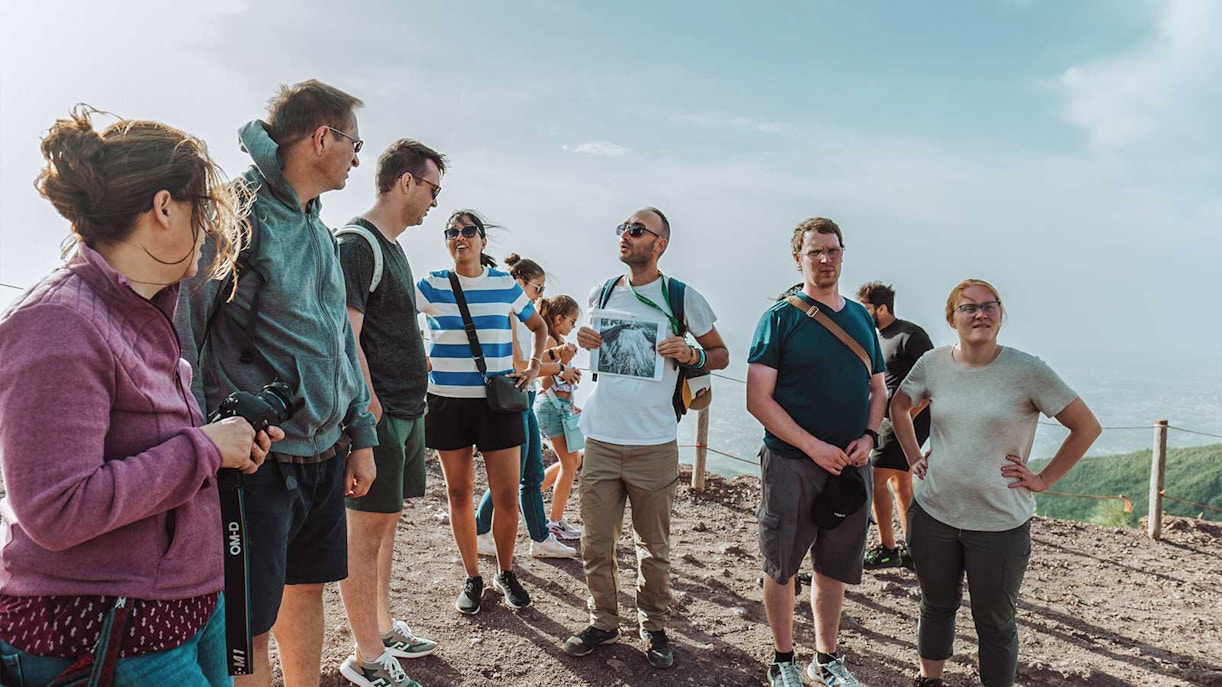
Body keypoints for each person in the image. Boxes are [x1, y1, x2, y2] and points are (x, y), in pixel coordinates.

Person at [0, 106, 279, 686]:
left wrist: (225, 448)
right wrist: (205, 449)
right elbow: (55, 508)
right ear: (164, 207)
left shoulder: (144, 310)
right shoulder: (58, 322)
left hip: (183, 614)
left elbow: (150, 450)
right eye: (204, 210)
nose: (210, 231)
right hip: (107, 633)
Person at [175, 80, 378, 687]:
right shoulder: (233, 215)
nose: (357, 157)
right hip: (256, 463)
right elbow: (185, 332)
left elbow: (342, 340)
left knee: (305, 590)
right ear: (323, 138)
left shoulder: (320, 230)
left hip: (324, 453)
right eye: (353, 143)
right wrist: (203, 440)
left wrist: (359, 431)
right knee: (249, 625)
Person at [890, 279, 1101, 687]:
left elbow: (1086, 427)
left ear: (1001, 315)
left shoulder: (1027, 370)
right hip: (934, 512)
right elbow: (900, 403)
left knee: (995, 623)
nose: (980, 314)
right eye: (968, 308)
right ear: (952, 318)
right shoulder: (933, 363)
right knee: (936, 606)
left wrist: (1043, 479)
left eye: (990, 306)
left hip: (1000, 523)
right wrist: (914, 455)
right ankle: (929, 681)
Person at [563, 208, 728, 670]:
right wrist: (584, 339)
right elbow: (591, 352)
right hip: (600, 436)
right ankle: (603, 621)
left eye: (636, 231)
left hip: (654, 442)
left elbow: (720, 353)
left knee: (652, 549)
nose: (625, 236)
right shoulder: (603, 291)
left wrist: (690, 352)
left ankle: (653, 626)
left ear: (660, 244)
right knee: (595, 544)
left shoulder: (681, 297)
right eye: (623, 228)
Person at [746, 217, 887, 687]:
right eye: (815, 252)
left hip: (849, 465)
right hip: (791, 463)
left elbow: (878, 389)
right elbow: (757, 399)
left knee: (834, 565)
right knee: (782, 563)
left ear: (843, 254)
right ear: (798, 258)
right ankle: (783, 659)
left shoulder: (862, 318)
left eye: (832, 250)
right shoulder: (780, 318)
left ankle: (825, 660)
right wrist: (812, 446)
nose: (825, 259)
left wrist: (869, 437)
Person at [336, 139, 447, 687]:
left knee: (386, 526)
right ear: (406, 181)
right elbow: (345, 336)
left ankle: (380, 628)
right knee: (365, 532)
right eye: (432, 188)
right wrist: (369, 408)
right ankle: (366, 657)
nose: (434, 202)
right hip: (379, 416)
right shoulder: (358, 244)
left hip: (406, 408)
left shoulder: (393, 247)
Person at [415, 211, 549, 615]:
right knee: (459, 493)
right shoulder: (430, 285)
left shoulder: (504, 284)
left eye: (469, 231)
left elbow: (539, 326)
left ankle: (505, 572)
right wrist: (415, 355)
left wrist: (535, 365)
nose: (461, 237)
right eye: (453, 232)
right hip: (446, 402)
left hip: (497, 403)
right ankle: (472, 576)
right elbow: (392, 319)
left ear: (482, 241)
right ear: (447, 241)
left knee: (507, 496)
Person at [473, 255, 577, 560]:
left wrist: (555, 353)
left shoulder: (518, 315)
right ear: (519, 282)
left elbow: (529, 361)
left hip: (525, 400)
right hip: (516, 399)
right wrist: (557, 368)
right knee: (518, 474)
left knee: (530, 473)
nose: (540, 295)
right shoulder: (506, 314)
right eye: (537, 287)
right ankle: (481, 530)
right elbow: (518, 365)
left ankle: (539, 539)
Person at [856, 281, 934, 570]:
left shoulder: (910, 335)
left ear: (882, 308)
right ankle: (914, 550)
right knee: (900, 484)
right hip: (891, 419)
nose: (863, 316)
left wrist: (909, 416)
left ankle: (888, 549)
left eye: (867, 310)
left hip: (905, 421)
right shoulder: (878, 337)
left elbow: (933, 379)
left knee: (876, 480)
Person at [534, 295, 586, 540]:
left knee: (571, 460)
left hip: (556, 407)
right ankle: (554, 521)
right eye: (572, 322)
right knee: (569, 463)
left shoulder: (553, 339)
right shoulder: (551, 342)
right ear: (559, 318)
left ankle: (530, 497)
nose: (573, 327)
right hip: (550, 407)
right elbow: (544, 379)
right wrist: (565, 365)